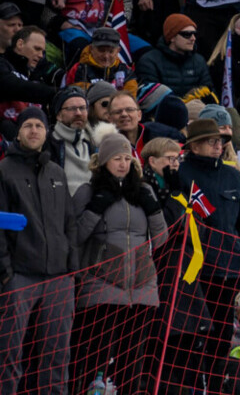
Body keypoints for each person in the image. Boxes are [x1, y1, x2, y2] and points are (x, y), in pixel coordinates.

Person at [72, 131, 169, 390]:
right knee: (93, 358)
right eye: (116, 158)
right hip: (101, 284)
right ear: (103, 161)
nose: (123, 163)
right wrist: (96, 208)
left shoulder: (144, 190)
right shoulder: (88, 190)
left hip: (141, 287)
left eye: (127, 158)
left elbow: (161, 240)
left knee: (133, 360)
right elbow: (75, 236)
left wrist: (153, 208)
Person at [167, 116, 240, 387]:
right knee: (192, 337)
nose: (217, 146)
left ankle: (214, 386)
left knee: (222, 334)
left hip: (228, 268)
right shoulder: (181, 173)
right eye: (210, 142)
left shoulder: (232, 174)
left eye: (220, 141)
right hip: (194, 271)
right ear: (194, 146)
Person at [0, 108, 78, 395]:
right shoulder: (4, 171)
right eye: (28, 125)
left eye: (40, 126)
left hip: (59, 277)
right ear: (18, 132)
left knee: (57, 356)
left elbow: (70, 222)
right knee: (7, 352)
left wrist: (72, 268)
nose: (34, 130)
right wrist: (6, 272)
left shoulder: (57, 172)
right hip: (19, 276)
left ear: (47, 132)